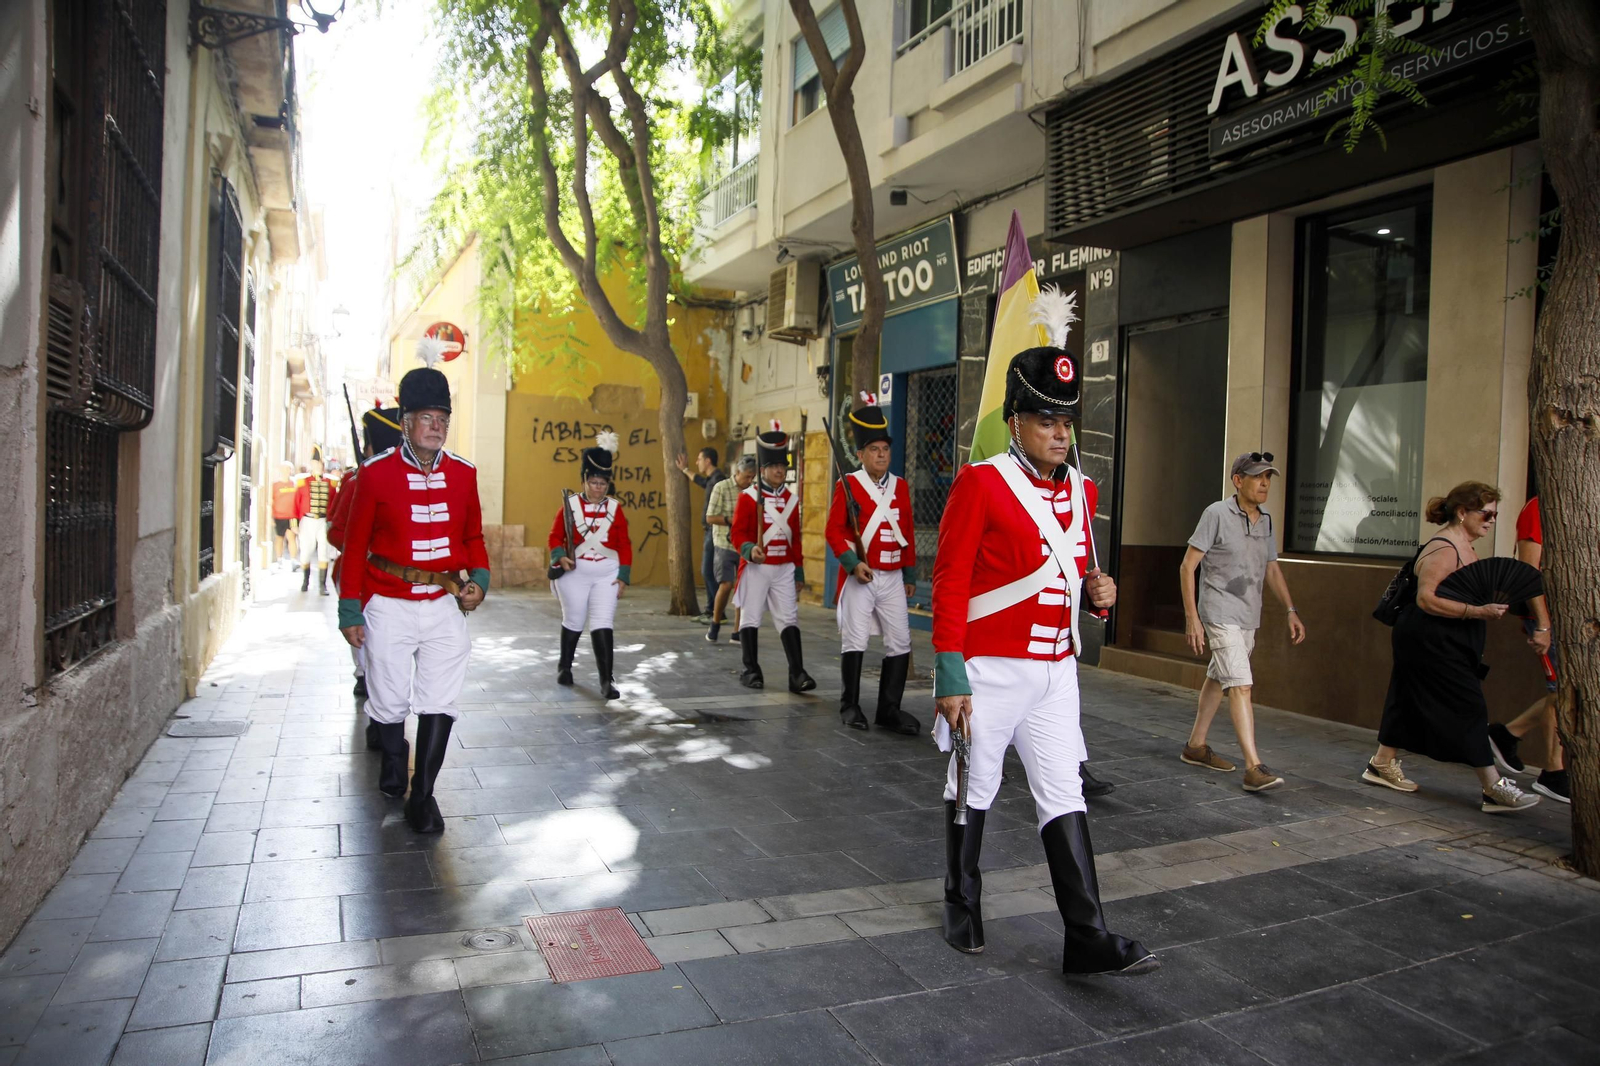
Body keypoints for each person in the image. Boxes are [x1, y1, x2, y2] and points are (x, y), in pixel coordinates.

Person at [931, 337, 1157, 977]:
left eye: (1066, 422)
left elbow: (1077, 571)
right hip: (990, 668)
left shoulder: (1083, 491)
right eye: (1046, 421)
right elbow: (950, 581)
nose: (1059, 433)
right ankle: (961, 904)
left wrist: (1099, 595)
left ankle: (1087, 937)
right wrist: (950, 670)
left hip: (1058, 669)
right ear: (1016, 422)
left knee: (1063, 792)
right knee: (973, 786)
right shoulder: (981, 484)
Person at [338, 366, 490, 832]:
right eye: (426, 416)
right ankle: (394, 751)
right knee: (387, 700)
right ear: (406, 421)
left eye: (442, 417)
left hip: (444, 603)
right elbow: (353, 543)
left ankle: (422, 796)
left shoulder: (465, 475)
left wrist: (479, 581)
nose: (436, 425)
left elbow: (475, 538)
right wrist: (350, 607)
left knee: (440, 700)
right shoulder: (375, 475)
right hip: (387, 602)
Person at [1362, 481, 1539, 813]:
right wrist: (1477, 611)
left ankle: (1381, 763)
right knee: (1468, 705)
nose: (1491, 521)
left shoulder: (1465, 544)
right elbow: (1426, 599)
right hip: (1431, 639)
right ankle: (1493, 787)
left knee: (1407, 698)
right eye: (1486, 514)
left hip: (1444, 638)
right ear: (1462, 512)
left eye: (1495, 515)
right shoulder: (1445, 547)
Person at [1177, 452, 1306, 793]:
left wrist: (1290, 609)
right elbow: (1187, 566)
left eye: (1268, 477)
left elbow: (1272, 568)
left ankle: (1195, 746)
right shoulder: (1216, 514)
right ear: (1238, 480)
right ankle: (1253, 766)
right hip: (1219, 612)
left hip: (1249, 613)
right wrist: (1193, 618)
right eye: (1258, 476)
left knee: (1220, 677)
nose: (1264, 483)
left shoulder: (1265, 521)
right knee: (1241, 684)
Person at [826, 393, 920, 735]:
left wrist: (909, 572)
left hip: (893, 576)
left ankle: (889, 709)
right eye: (874, 450)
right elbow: (834, 530)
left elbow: (906, 530)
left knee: (900, 641)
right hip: (861, 576)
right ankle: (849, 704)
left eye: (885, 450)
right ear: (861, 454)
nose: (881, 455)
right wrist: (853, 564)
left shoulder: (901, 486)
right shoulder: (848, 485)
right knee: (855, 640)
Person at [1486, 495, 1568, 803]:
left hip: (1576, 617)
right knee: (1559, 690)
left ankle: (1506, 735)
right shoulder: (1540, 506)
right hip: (1548, 616)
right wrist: (1543, 624)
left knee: (1565, 690)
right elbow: (1529, 570)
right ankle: (1553, 772)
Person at [329, 403, 404, 715]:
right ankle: (366, 683)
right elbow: (336, 532)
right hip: (360, 576)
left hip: (396, 581)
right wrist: (367, 547)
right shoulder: (356, 480)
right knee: (371, 651)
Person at [731, 423, 815, 693]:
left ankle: (797, 673)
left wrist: (799, 570)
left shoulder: (791, 499)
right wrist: (748, 549)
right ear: (763, 469)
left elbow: (796, 539)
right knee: (751, 617)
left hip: (784, 568)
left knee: (789, 618)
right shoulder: (748, 498)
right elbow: (737, 534)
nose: (780, 470)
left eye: (783, 465)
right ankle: (751, 669)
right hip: (757, 567)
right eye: (775, 465)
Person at [549, 432, 632, 701]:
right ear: (584, 479)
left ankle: (607, 680)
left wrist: (623, 576)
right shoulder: (569, 506)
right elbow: (554, 537)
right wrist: (560, 556)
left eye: (603, 483)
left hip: (607, 571)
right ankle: (564, 667)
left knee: (603, 622)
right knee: (573, 619)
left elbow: (625, 544)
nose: (598, 488)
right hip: (576, 572)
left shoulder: (615, 509)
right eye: (594, 482)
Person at [704, 456, 755, 643]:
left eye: (753, 477)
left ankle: (737, 631)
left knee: (742, 589)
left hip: (745, 545)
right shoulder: (722, 487)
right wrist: (731, 521)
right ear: (738, 473)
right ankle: (715, 622)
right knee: (726, 585)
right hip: (724, 543)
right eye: (747, 477)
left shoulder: (753, 492)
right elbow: (710, 517)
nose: (750, 481)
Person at [675, 447, 726, 621]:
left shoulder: (719, 480)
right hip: (709, 531)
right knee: (709, 571)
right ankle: (711, 609)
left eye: (699, 459)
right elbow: (702, 482)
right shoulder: (713, 479)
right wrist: (684, 470)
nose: (697, 462)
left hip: (714, 531)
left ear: (708, 461)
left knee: (707, 571)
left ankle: (720, 612)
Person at [295, 448, 340, 594]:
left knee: (324, 552)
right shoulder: (303, 481)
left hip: (323, 521)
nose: (317, 466)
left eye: (319, 463)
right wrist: (294, 523)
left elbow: (335, 503)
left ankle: (322, 585)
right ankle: (305, 582)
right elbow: (296, 502)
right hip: (307, 520)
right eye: (315, 463)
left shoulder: (331, 483)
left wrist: (333, 522)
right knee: (306, 552)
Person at [270, 462, 299, 566]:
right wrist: (271, 517)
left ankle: (293, 560)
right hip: (279, 516)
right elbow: (271, 501)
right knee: (279, 538)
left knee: (292, 537)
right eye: (284, 469)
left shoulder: (295, 484)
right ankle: (279, 560)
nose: (286, 471)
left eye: (288, 469)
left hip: (292, 516)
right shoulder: (275, 485)